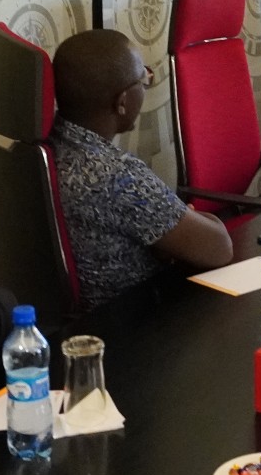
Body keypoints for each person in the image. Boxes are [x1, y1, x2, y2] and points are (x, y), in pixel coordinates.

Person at [50, 28, 234, 305]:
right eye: (143, 80)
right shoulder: (116, 174)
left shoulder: (53, 144)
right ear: (122, 102)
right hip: (139, 318)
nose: (146, 84)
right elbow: (219, 248)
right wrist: (181, 217)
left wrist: (164, 233)